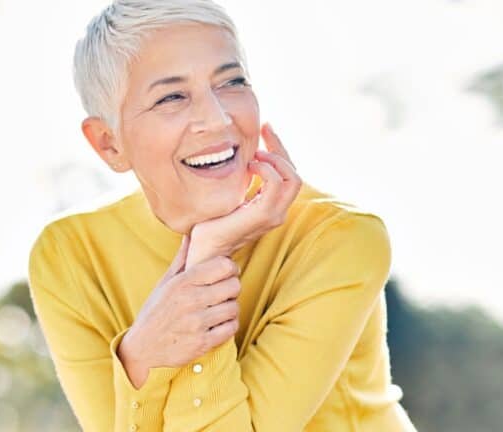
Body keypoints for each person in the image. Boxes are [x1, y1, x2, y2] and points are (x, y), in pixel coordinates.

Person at [27, 1, 417, 430]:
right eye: (172, 97)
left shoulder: (339, 238)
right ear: (108, 144)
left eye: (231, 82)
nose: (216, 118)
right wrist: (139, 356)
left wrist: (206, 260)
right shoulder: (69, 255)